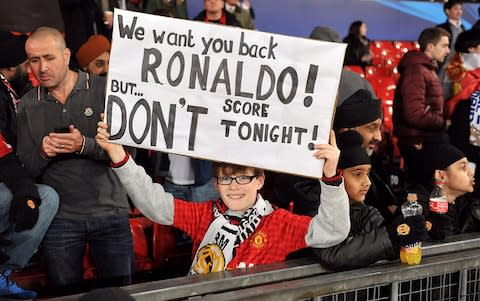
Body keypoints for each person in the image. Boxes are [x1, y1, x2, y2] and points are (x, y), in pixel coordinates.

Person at [96, 119, 350, 274]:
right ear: (216, 183)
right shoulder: (204, 214)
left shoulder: (281, 222)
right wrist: (119, 154)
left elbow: (334, 231)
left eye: (243, 178)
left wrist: (330, 176)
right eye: (226, 179)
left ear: (260, 180)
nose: (234, 186)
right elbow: (156, 206)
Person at [16, 27, 134, 295]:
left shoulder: (105, 90)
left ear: (66, 55)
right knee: (65, 297)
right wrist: (43, 153)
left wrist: (84, 145)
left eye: (49, 57)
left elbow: (130, 155)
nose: (42, 67)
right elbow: (25, 170)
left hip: (111, 213)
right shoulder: (26, 105)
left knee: (119, 297)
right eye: (34, 60)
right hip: (60, 221)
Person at [275, 89, 397, 223]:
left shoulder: (371, 162)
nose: (379, 137)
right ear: (347, 131)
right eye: (371, 127)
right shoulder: (309, 174)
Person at [312, 130, 428, 271]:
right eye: (357, 174)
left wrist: (414, 227)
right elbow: (332, 254)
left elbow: (390, 240)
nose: (367, 182)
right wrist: (392, 235)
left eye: (367, 174)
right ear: (336, 175)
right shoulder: (316, 213)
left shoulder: (367, 213)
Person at [0, 31, 59, 299]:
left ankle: (2, 272)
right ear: (12, 67)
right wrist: (24, 189)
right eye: (28, 63)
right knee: (25, 197)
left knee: (46, 197)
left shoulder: (9, 90)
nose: (33, 69)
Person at [393, 27, 451, 186]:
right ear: (430, 47)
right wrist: (441, 122)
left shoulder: (426, 69)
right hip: (419, 141)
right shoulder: (416, 70)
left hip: (424, 139)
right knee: (422, 190)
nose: (448, 51)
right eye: (444, 45)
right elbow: (414, 113)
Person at [411, 137, 480, 240]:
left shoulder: (468, 204)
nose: (471, 173)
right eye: (462, 167)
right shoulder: (414, 208)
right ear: (440, 175)